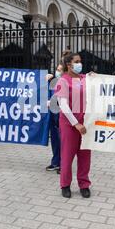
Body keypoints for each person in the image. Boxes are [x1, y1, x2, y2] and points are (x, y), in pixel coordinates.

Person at [55, 53, 92, 198]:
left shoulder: (84, 79)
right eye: (77, 62)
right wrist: (76, 124)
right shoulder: (63, 81)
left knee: (85, 155)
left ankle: (84, 184)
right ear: (69, 65)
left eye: (80, 61)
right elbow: (63, 105)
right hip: (69, 124)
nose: (79, 64)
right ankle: (65, 185)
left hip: (85, 122)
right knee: (67, 155)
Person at [45, 62, 65, 173]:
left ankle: (63, 164)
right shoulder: (53, 82)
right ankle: (56, 162)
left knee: (63, 140)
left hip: (62, 114)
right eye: (57, 69)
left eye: (60, 70)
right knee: (54, 139)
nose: (58, 72)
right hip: (53, 114)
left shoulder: (67, 82)